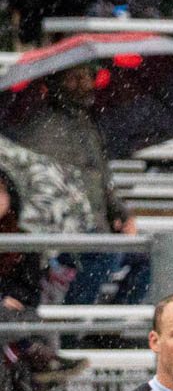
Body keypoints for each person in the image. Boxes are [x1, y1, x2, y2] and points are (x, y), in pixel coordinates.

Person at [10, 64, 151, 311]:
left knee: (148, 258)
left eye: (87, 77)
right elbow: (43, 186)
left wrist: (122, 217)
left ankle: (108, 330)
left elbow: (103, 180)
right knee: (106, 254)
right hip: (61, 231)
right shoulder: (42, 127)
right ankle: (69, 326)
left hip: (95, 229)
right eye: (75, 78)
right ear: (58, 82)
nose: (84, 84)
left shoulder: (88, 125)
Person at [0, 167, 84, 391]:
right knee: (11, 343)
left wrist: (11, 298)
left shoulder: (25, 239)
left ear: (11, 196)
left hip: (19, 316)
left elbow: (32, 290)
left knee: (24, 340)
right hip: (7, 319)